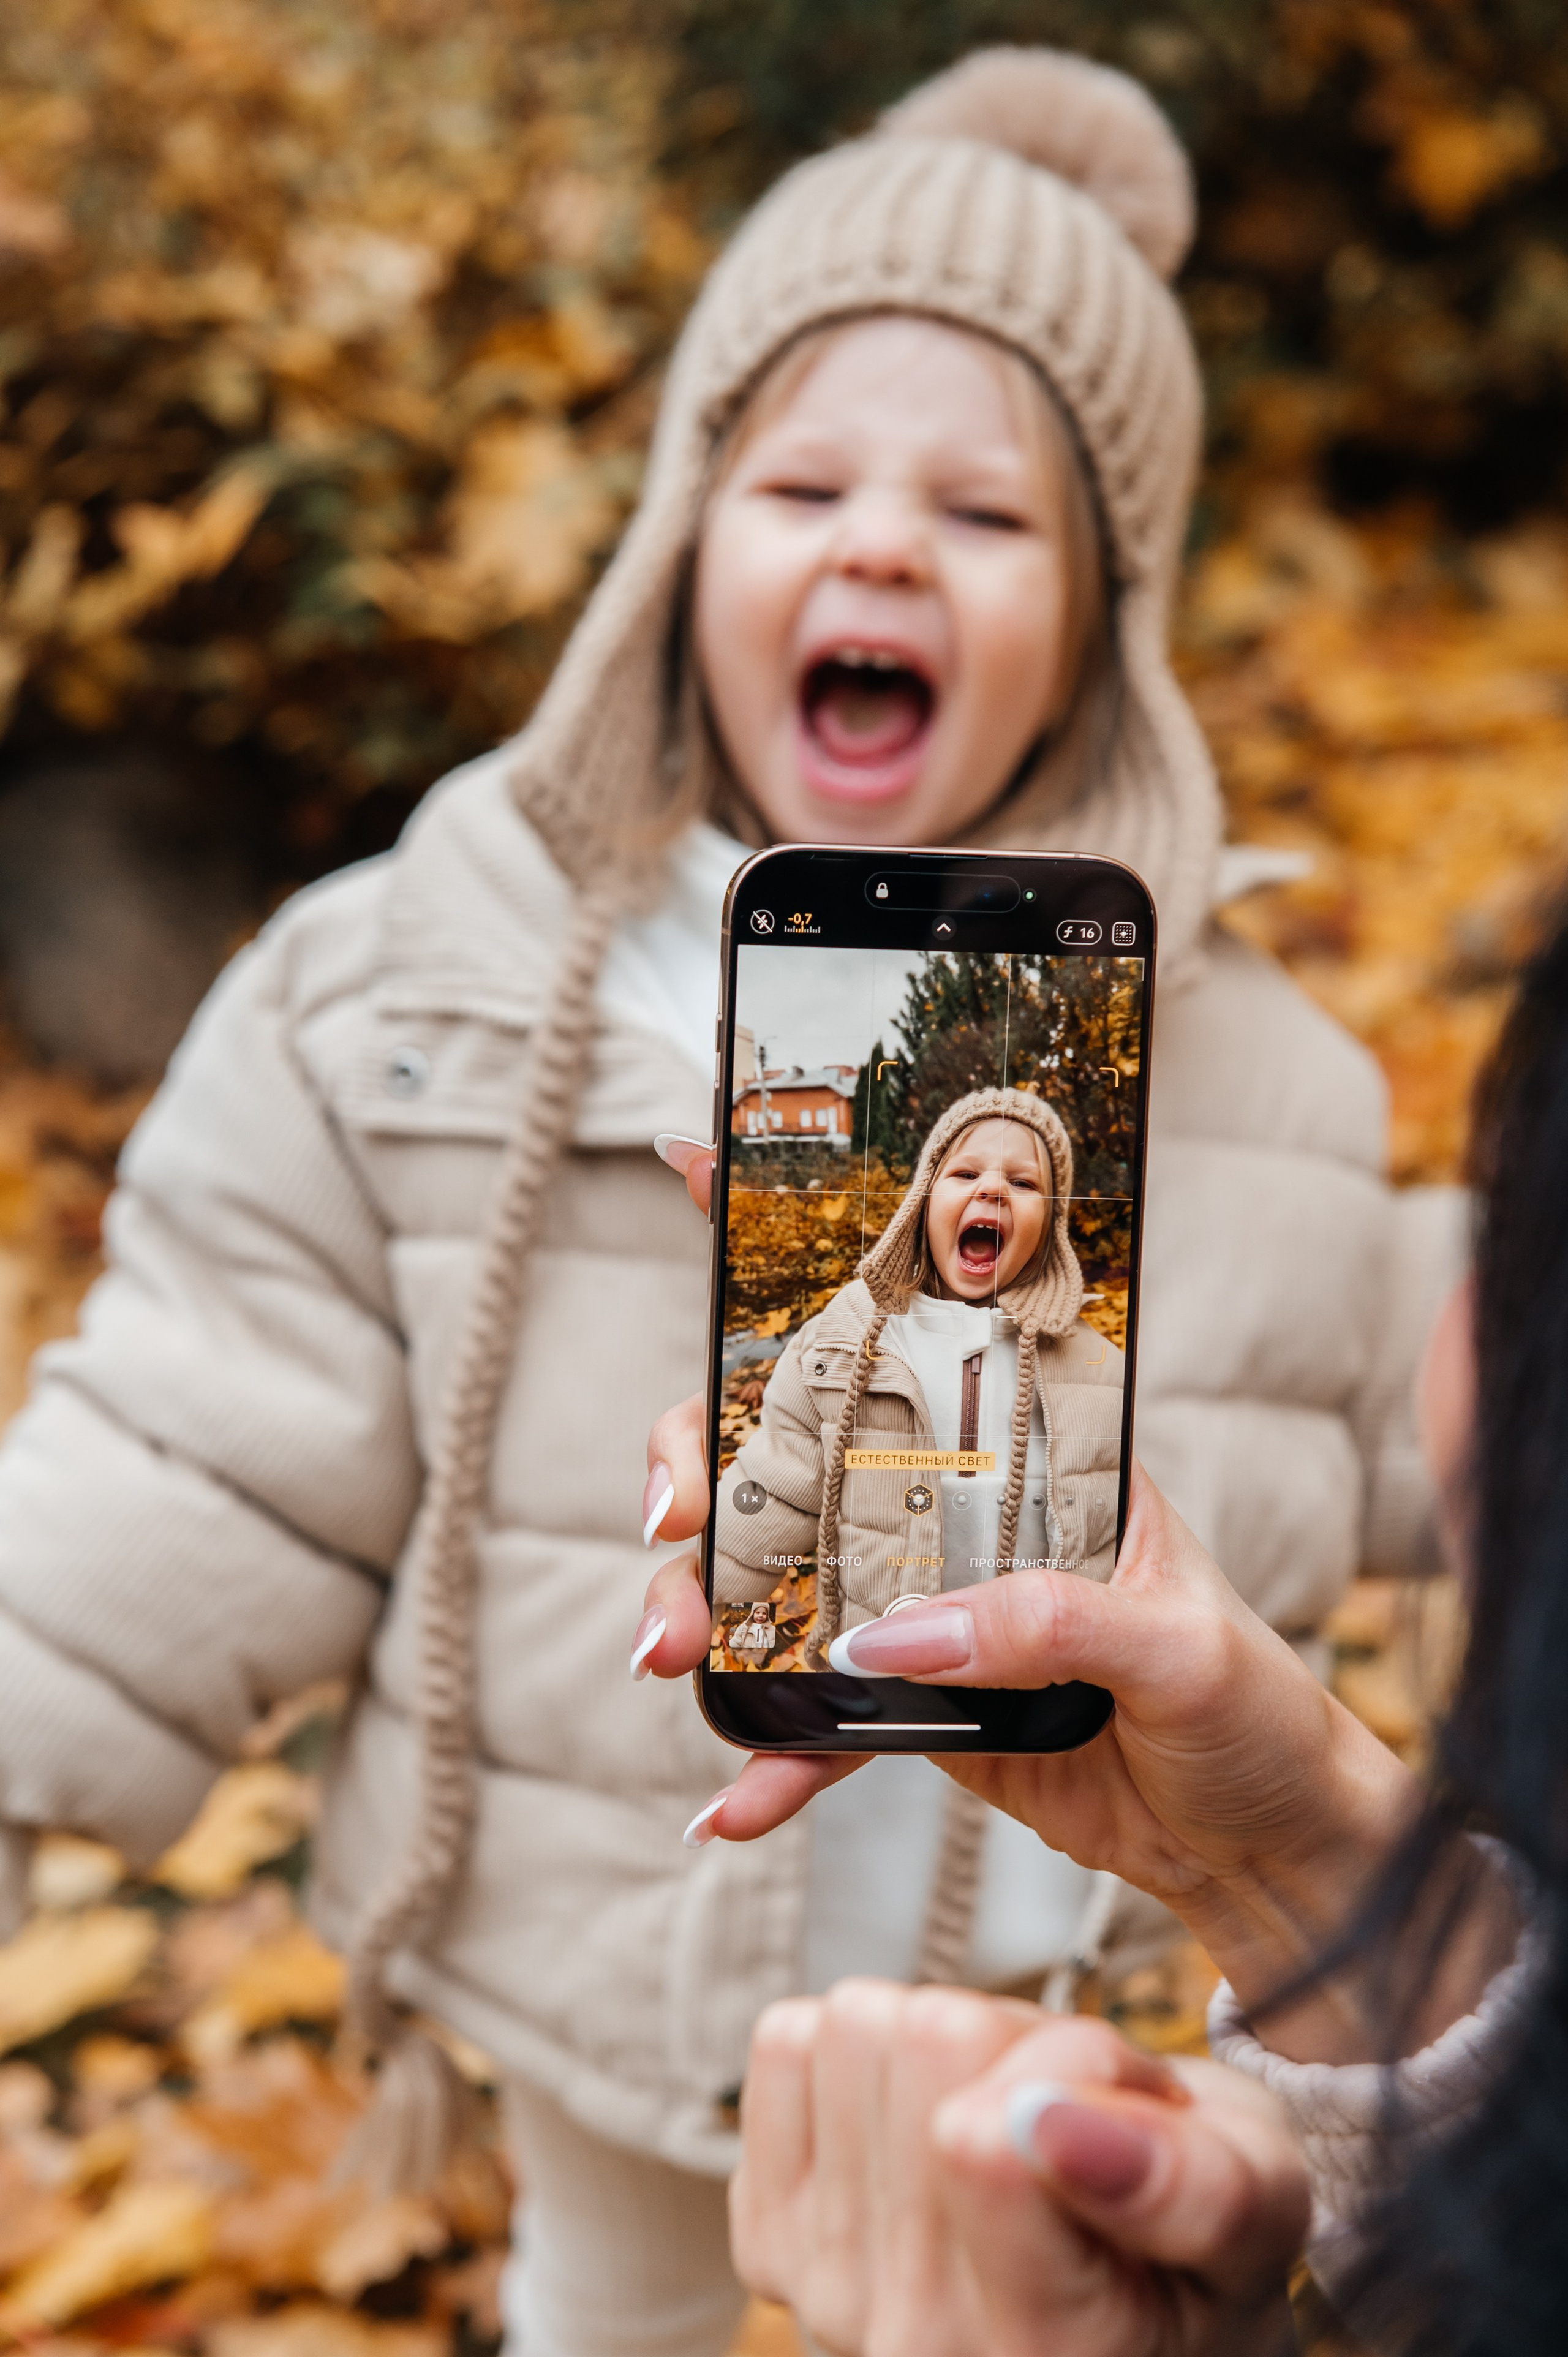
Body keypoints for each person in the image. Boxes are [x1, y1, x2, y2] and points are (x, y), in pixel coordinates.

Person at [0, 43, 1460, 2357]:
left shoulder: (1246, 1065)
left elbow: (1433, 1398)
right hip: (595, 1914)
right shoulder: (412, 985)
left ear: (1102, 615)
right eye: (798, 483)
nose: (878, 542)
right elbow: (191, 1438)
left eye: (982, 519)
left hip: (1045, 1959)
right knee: (611, 2304)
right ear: (683, 543)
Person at [640, 908, 1568, 2356]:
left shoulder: (1076, 1359)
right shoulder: (846, 1330)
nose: (1451, 1354)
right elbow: (764, 1489)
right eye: (964, 1164)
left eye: (1512, 1257)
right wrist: (1279, 1856)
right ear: (925, 1192)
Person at [713, 1090, 1125, 1657]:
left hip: (1041, 1690)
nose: (992, 1189)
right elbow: (777, 1492)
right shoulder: (843, 1345)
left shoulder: (1101, 1374)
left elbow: (1132, 1545)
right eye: (965, 1172)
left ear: (1051, 1222)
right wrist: (701, 1593)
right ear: (923, 1201)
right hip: (876, 1674)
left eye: (1025, 1184)